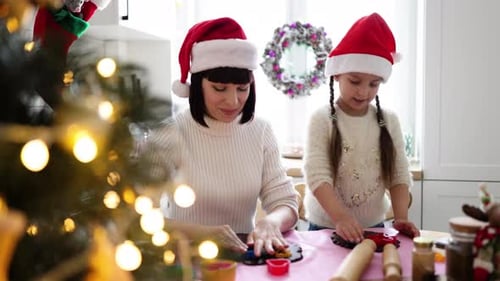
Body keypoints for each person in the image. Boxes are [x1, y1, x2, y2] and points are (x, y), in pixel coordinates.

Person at [143, 17, 299, 257]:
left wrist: (272, 222)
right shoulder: (171, 132)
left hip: (244, 259)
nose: (233, 101)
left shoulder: (261, 131)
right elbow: (138, 216)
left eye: (242, 89)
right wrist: (200, 233)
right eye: (219, 88)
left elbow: (285, 201)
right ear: (197, 85)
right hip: (186, 259)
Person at [303, 13, 420, 243]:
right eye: (355, 81)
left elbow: (398, 174)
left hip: (375, 227)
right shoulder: (321, 119)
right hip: (325, 229)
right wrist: (341, 218)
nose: (363, 92)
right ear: (337, 75)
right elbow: (317, 175)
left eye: (373, 84)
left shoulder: (389, 121)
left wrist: (401, 217)